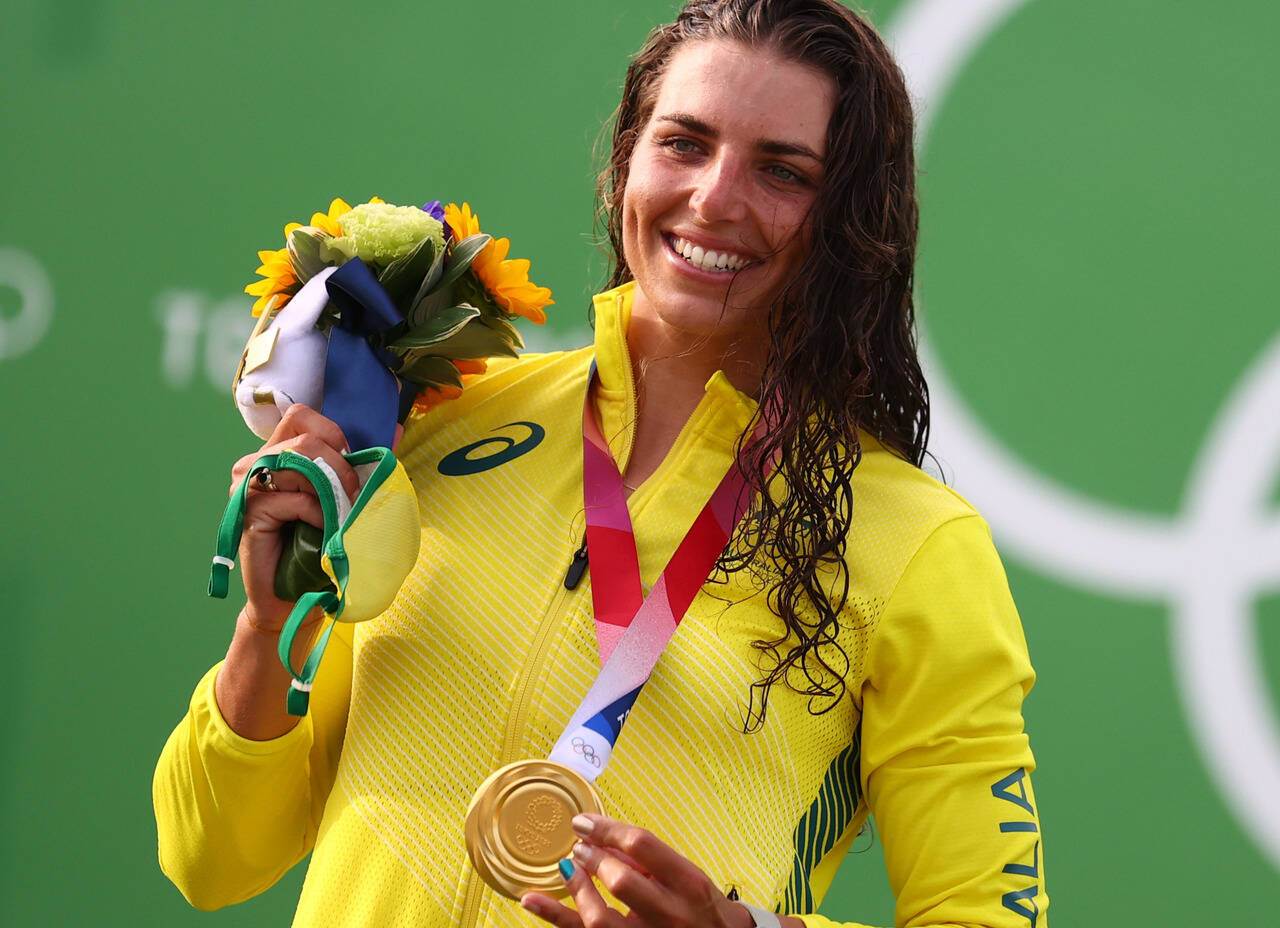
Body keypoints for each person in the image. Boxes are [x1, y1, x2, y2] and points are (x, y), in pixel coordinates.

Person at [152, 1, 1050, 926]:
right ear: (628, 160)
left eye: (783, 171)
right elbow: (209, 856)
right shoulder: (448, 423)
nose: (715, 199)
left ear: (850, 221)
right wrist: (267, 628)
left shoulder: (916, 547)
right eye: (685, 144)